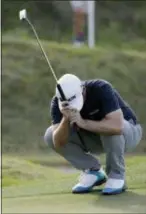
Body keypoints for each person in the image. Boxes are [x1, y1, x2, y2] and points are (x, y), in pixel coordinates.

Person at [44, 74, 142, 195]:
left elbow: (117, 127)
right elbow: (58, 142)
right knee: (50, 135)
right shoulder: (57, 103)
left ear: (82, 90)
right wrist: (65, 118)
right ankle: (93, 171)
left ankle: (116, 175)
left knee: (109, 128)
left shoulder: (100, 88)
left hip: (128, 133)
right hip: (95, 137)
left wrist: (83, 122)